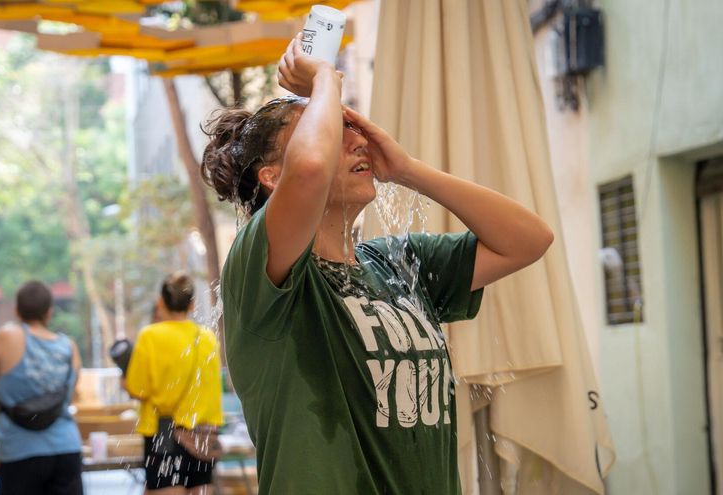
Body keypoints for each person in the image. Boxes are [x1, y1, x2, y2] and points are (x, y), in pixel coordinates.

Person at [199, 34, 555, 494]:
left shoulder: (400, 264)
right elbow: (309, 169)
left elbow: (529, 240)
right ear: (272, 178)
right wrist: (325, 78)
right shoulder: (262, 270)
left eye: (350, 128)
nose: (354, 141)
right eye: (329, 128)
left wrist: (407, 169)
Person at [123, 272, 223, 495]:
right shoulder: (206, 337)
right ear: (192, 304)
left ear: (161, 302)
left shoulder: (150, 336)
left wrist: (126, 381)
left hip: (164, 434)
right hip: (203, 435)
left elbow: (138, 389)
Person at [0, 281, 83, 495]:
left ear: (17, 310)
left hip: (19, 450)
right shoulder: (69, 347)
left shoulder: (7, 337)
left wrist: (0, 422)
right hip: (66, 448)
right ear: (49, 312)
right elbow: (69, 398)